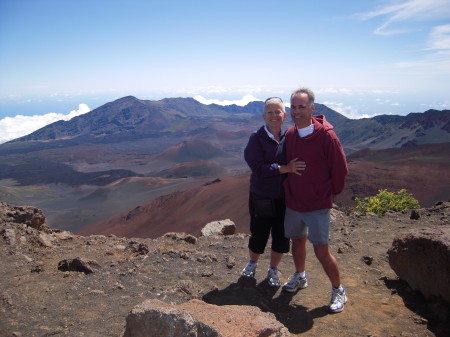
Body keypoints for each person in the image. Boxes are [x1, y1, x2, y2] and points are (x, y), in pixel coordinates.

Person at [282, 87, 348, 313]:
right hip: (294, 203)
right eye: (293, 107)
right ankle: (300, 276)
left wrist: (327, 195)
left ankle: (338, 289)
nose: (297, 111)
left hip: (317, 205)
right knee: (297, 241)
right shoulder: (291, 134)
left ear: (312, 107)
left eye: (302, 106)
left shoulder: (326, 136)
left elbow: (340, 170)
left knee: (321, 250)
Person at [242, 97, 305, 287]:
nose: (274, 115)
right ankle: (252, 263)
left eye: (277, 111)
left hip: (283, 198)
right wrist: (285, 168)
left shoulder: (290, 137)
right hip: (261, 196)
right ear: (264, 116)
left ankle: (273, 269)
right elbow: (259, 169)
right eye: (270, 112)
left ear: (284, 115)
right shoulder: (256, 139)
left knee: (280, 235)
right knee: (259, 233)